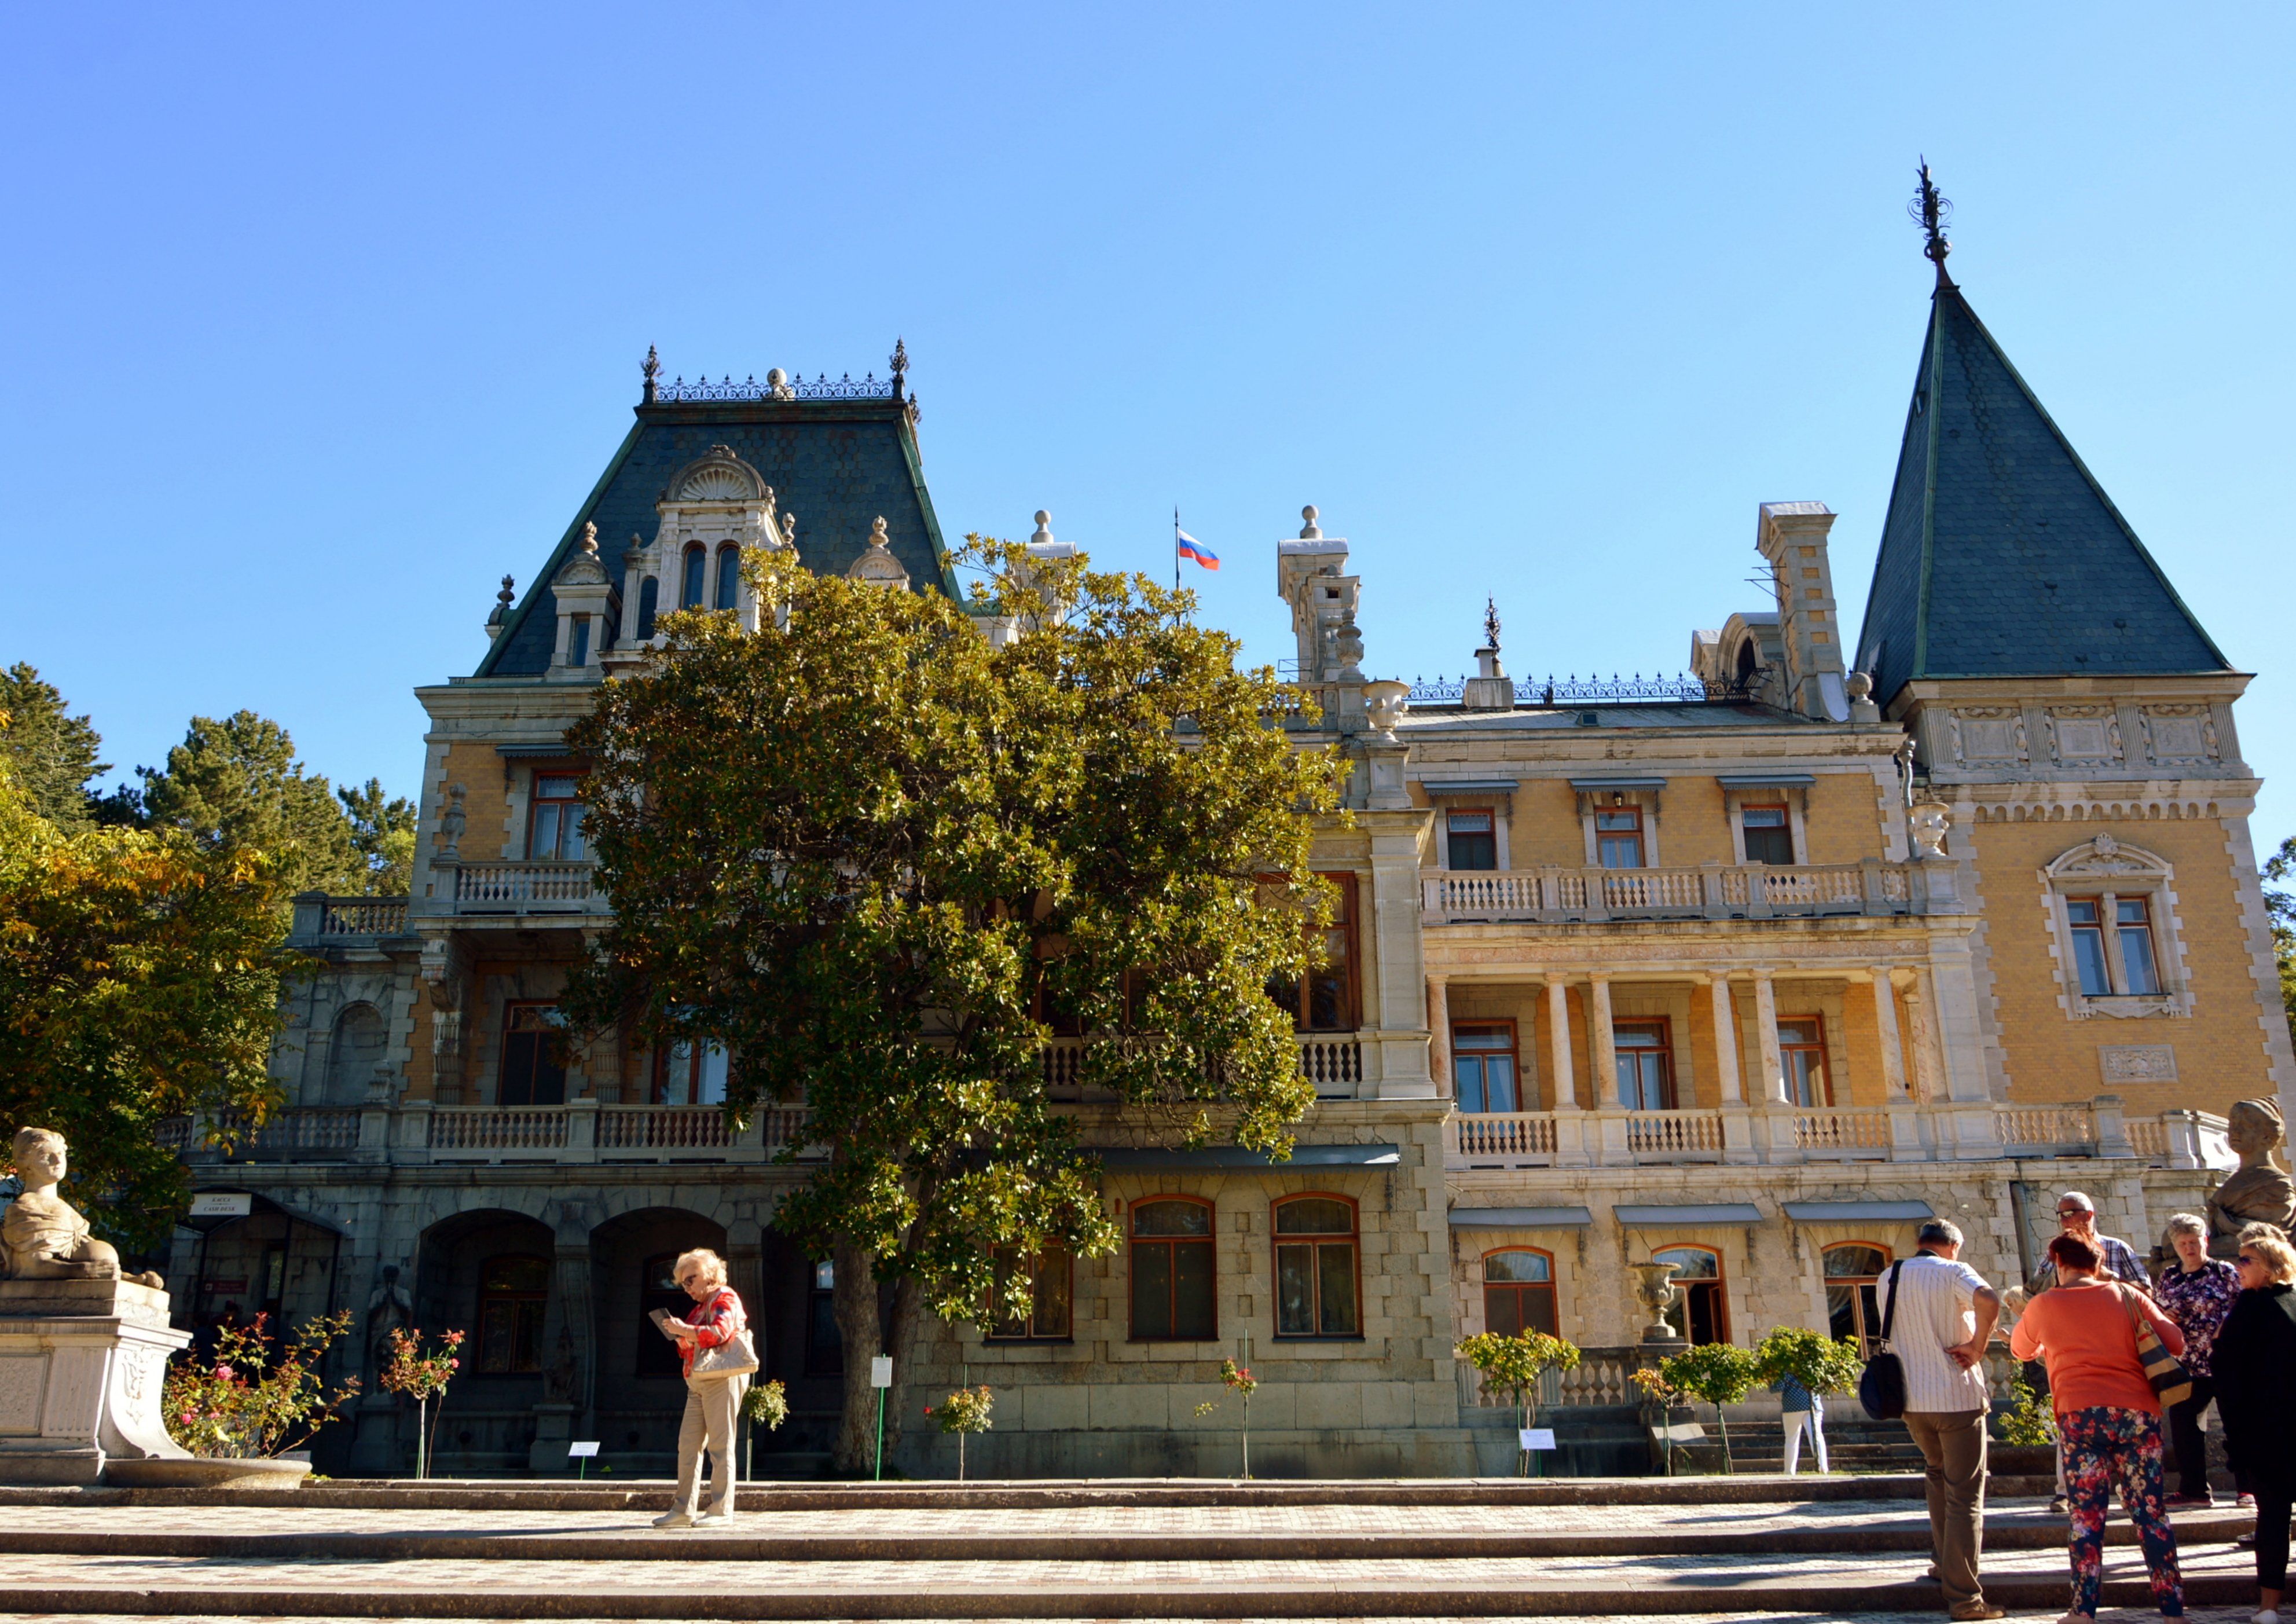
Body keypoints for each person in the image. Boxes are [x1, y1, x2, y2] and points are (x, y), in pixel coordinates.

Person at [2011, 1232, 2187, 1623]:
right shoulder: (2128, 1295)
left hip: (2081, 1416)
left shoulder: (2043, 1303)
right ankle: (2174, 1612)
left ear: (2060, 1264)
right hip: (2137, 1414)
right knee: (2150, 1513)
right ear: (2098, 1263)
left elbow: (2021, 1350)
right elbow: (2175, 1342)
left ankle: (2083, 1610)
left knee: (2086, 1517)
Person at [1891, 1218, 2006, 1622]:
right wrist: (1978, 1346)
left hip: (1911, 1398)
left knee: (1937, 1476)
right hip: (1955, 1396)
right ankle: (1965, 1600)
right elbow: (1989, 1299)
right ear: (1953, 1245)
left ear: (1920, 1243)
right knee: (1965, 1495)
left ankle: (1942, 1561)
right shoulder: (1954, 1269)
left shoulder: (1891, 1273)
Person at [2211, 1223, 2296, 1624]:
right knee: (2272, 1516)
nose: (2238, 1266)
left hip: (2266, 1433)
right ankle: (2268, 1606)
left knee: (2273, 1516)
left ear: (2270, 1265)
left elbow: (2226, 1371)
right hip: (2273, 1430)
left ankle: (2269, 1608)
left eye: (2247, 1259)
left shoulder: (2248, 1307)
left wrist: (2237, 1434)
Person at [651, 1248, 751, 1528]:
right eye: (683, 1283)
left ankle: (721, 1510)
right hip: (698, 1383)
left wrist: (685, 1331)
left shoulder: (725, 1297)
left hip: (722, 1379)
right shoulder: (699, 1309)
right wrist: (681, 1336)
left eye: (690, 1279)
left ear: (709, 1275)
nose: (687, 1287)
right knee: (688, 1446)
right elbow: (691, 1347)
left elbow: (720, 1332)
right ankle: (683, 1509)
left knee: (720, 1446)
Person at [2153, 1212, 2242, 1507]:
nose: (2189, 1249)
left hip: (2225, 1362)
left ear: (2205, 1241)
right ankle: (2194, 1490)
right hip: (2186, 1364)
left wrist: (2224, 1326)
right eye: (2182, 1244)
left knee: (2237, 1427)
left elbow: (2242, 1308)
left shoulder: (2224, 1273)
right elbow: (2156, 1313)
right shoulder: (2169, 1276)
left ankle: (2248, 1489)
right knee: (2184, 1429)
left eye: (2193, 1242)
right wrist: (2166, 1318)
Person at [1775, 1368, 1826, 1475]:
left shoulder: (1786, 1367)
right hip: (1812, 1404)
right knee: (1816, 1436)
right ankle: (1822, 1468)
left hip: (1792, 1407)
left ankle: (1789, 1472)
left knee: (1791, 1440)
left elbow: (1777, 1387)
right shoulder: (1812, 1365)